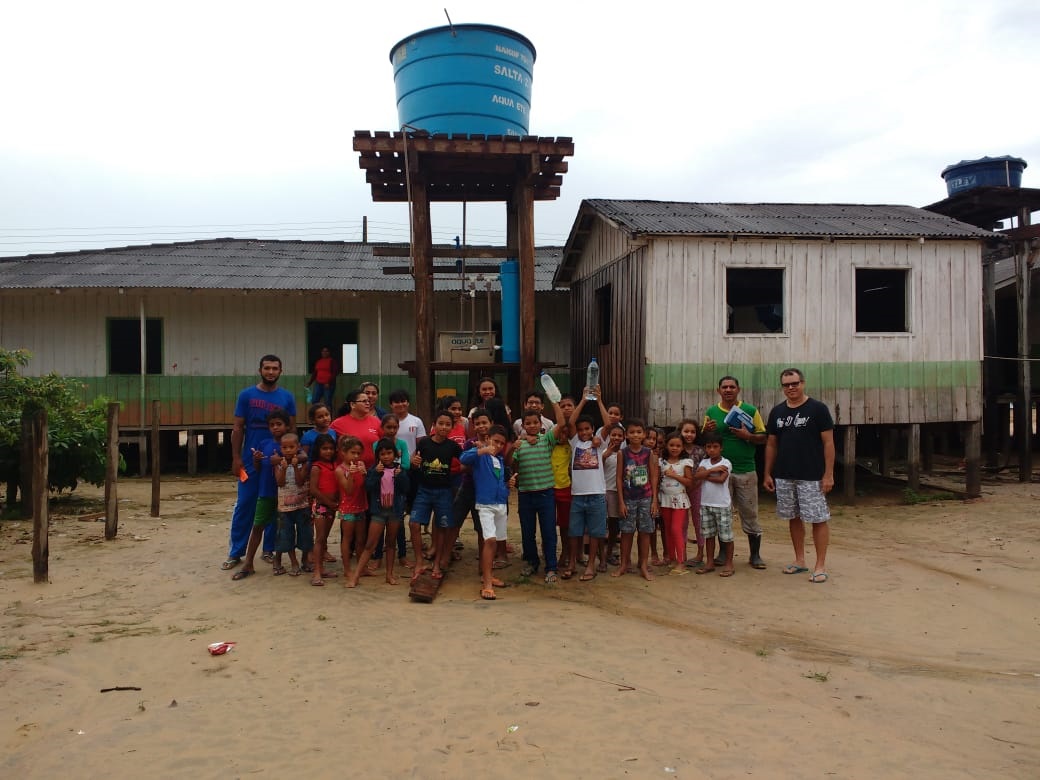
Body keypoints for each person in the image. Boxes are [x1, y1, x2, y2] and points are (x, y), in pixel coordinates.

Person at [763, 368, 835, 583]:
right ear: (782, 387)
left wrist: (828, 474)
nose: (791, 388)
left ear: (803, 383)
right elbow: (771, 444)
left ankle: (820, 565)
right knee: (793, 517)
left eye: (795, 383)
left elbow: (828, 443)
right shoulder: (777, 412)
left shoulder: (818, 409)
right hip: (785, 475)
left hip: (811, 475)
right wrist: (767, 473)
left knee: (818, 518)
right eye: (786, 385)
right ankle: (800, 560)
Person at [225, 355, 296, 571]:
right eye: (267, 368)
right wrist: (236, 458)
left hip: (277, 459)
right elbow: (238, 427)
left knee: (275, 503)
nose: (271, 372)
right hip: (251, 458)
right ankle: (236, 552)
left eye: (275, 368)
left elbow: (292, 430)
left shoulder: (287, 397)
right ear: (260, 370)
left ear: (280, 371)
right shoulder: (246, 395)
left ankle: (269, 549)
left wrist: (290, 460)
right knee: (245, 503)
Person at [703, 375, 768, 570]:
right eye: (724, 387)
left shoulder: (750, 410)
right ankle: (723, 553)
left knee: (750, 512)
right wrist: (706, 430)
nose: (728, 390)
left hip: (745, 469)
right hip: (721, 470)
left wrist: (748, 436)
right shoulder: (711, 412)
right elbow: (705, 440)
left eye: (732, 387)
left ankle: (755, 555)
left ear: (738, 389)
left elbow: (763, 437)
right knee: (722, 512)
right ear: (718, 390)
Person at [231, 409, 294, 581]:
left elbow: (300, 459)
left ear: (287, 426)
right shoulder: (264, 443)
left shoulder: (290, 444)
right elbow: (258, 469)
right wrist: (257, 460)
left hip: (285, 494)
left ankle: (279, 561)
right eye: (272, 425)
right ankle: (248, 563)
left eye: (279, 424)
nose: (275, 428)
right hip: (266, 492)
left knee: (283, 527)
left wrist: (282, 460)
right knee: (258, 526)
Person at [512, 402, 568, 583]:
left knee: (549, 532)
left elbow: (561, 423)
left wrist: (554, 402)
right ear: (522, 426)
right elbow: (512, 464)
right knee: (527, 532)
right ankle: (532, 562)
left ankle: (551, 567)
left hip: (546, 494)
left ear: (541, 424)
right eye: (528, 423)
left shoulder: (547, 440)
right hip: (525, 494)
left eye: (535, 422)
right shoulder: (520, 445)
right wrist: (515, 446)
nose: (532, 426)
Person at [460, 425, 515, 600]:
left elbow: (498, 483)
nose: (498, 445)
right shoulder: (480, 456)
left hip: (500, 505)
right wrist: (482, 450)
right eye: (495, 441)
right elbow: (463, 458)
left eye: (501, 443)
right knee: (489, 540)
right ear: (488, 438)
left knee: (496, 542)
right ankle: (487, 585)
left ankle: (488, 576)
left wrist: (507, 487)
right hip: (485, 505)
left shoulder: (500, 460)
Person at [563, 388, 612, 583]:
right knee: (574, 532)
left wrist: (599, 401)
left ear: (593, 429)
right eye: (581, 429)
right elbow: (570, 422)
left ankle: (591, 565)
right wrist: (583, 400)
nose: (584, 432)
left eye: (587, 429)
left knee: (595, 533)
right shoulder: (575, 442)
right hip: (578, 495)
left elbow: (608, 424)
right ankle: (572, 564)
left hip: (597, 495)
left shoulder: (599, 444)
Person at [408, 409, 463, 580]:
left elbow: (465, 461)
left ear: (452, 427)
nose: (444, 427)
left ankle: (437, 563)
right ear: (434, 425)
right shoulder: (424, 443)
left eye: (448, 424)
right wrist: (413, 462)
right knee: (414, 524)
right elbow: (414, 461)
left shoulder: (453, 447)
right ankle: (419, 562)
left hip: (444, 492)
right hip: (424, 490)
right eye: (441, 423)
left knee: (442, 527)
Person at [352, 438, 409, 587]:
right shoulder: (374, 470)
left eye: (389, 453)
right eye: (382, 454)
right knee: (370, 544)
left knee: (391, 543)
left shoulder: (399, 470)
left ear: (395, 454)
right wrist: (376, 474)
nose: (386, 456)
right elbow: (368, 487)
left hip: (394, 512)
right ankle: (356, 575)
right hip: (378, 512)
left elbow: (406, 488)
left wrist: (401, 476)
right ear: (378, 455)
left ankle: (389, 575)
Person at [614, 418, 659, 581]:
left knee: (645, 532)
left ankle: (644, 565)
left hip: (646, 498)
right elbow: (619, 478)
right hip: (628, 499)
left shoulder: (648, 453)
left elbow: (653, 477)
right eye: (632, 432)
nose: (635, 435)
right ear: (626, 435)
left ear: (644, 434)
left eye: (639, 432)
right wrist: (621, 501)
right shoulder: (622, 453)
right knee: (627, 532)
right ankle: (624, 564)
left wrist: (654, 500)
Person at [694, 433, 734, 577]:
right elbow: (697, 476)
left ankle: (729, 564)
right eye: (709, 447)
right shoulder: (704, 463)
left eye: (715, 447)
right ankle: (709, 562)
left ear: (721, 448)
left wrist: (705, 475)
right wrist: (711, 471)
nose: (711, 450)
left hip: (722, 504)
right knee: (709, 535)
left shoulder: (726, 463)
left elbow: (721, 480)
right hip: (705, 503)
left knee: (726, 537)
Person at [272, 432, 311, 577]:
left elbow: (300, 482)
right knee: (286, 535)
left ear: (298, 447)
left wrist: (295, 467)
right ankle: (294, 562)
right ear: (280, 448)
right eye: (284, 447)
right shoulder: (278, 463)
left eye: (291, 447)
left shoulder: (303, 462)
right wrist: (283, 468)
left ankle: (305, 559)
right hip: (285, 507)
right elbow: (280, 482)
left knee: (306, 534)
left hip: (302, 505)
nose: (288, 450)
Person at [658, 431, 695, 575]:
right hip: (665, 499)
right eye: (671, 445)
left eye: (678, 446)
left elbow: (689, 482)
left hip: (680, 500)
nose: (674, 448)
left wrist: (674, 475)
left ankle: (681, 562)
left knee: (676, 529)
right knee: (667, 530)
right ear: (666, 446)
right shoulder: (661, 462)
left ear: (682, 447)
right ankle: (672, 558)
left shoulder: (686, 462)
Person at [335, 436, 368, 585]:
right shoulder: (339, 470)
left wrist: (364, 473)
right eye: (352, 453)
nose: (355, 456)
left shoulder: (361, 464)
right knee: (347, 539)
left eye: (358, 453)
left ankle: (362, 568)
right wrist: (351, 475)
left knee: (361, 539)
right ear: (343, 452)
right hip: (348, 508)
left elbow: (366, 486)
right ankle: (347, 569)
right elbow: (348, 490)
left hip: (361, 505)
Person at [307, 433, 339, 586]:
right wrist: (329, 503)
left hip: (331, 507)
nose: (328, 451)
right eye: (324, 448)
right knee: (319, 539)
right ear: (318, 450)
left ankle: (321, 568)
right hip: (321, 506)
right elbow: (314, 490)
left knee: (324, 538)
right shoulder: (316, 467)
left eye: (331, 448)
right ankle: (316, 572)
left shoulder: (335, 465)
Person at [677, 419, 706, 568]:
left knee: (698, 521)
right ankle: (682, 555)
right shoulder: (677, 448)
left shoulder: (700, 451)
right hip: (680, 490)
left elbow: (704, 470)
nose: (689, 434)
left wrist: (696, 483)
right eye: (686, 431)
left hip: (697, 489)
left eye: (692, 432)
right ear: (680, 432)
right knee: (682, 522)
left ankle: (700, 553)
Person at [330, 389, 381, 468]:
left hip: (373, 470)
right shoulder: (337, 424)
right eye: (364, 401)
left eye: (368, 401)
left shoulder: (376, 422)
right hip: (348, 471)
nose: (368, 403)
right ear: (353, 404)